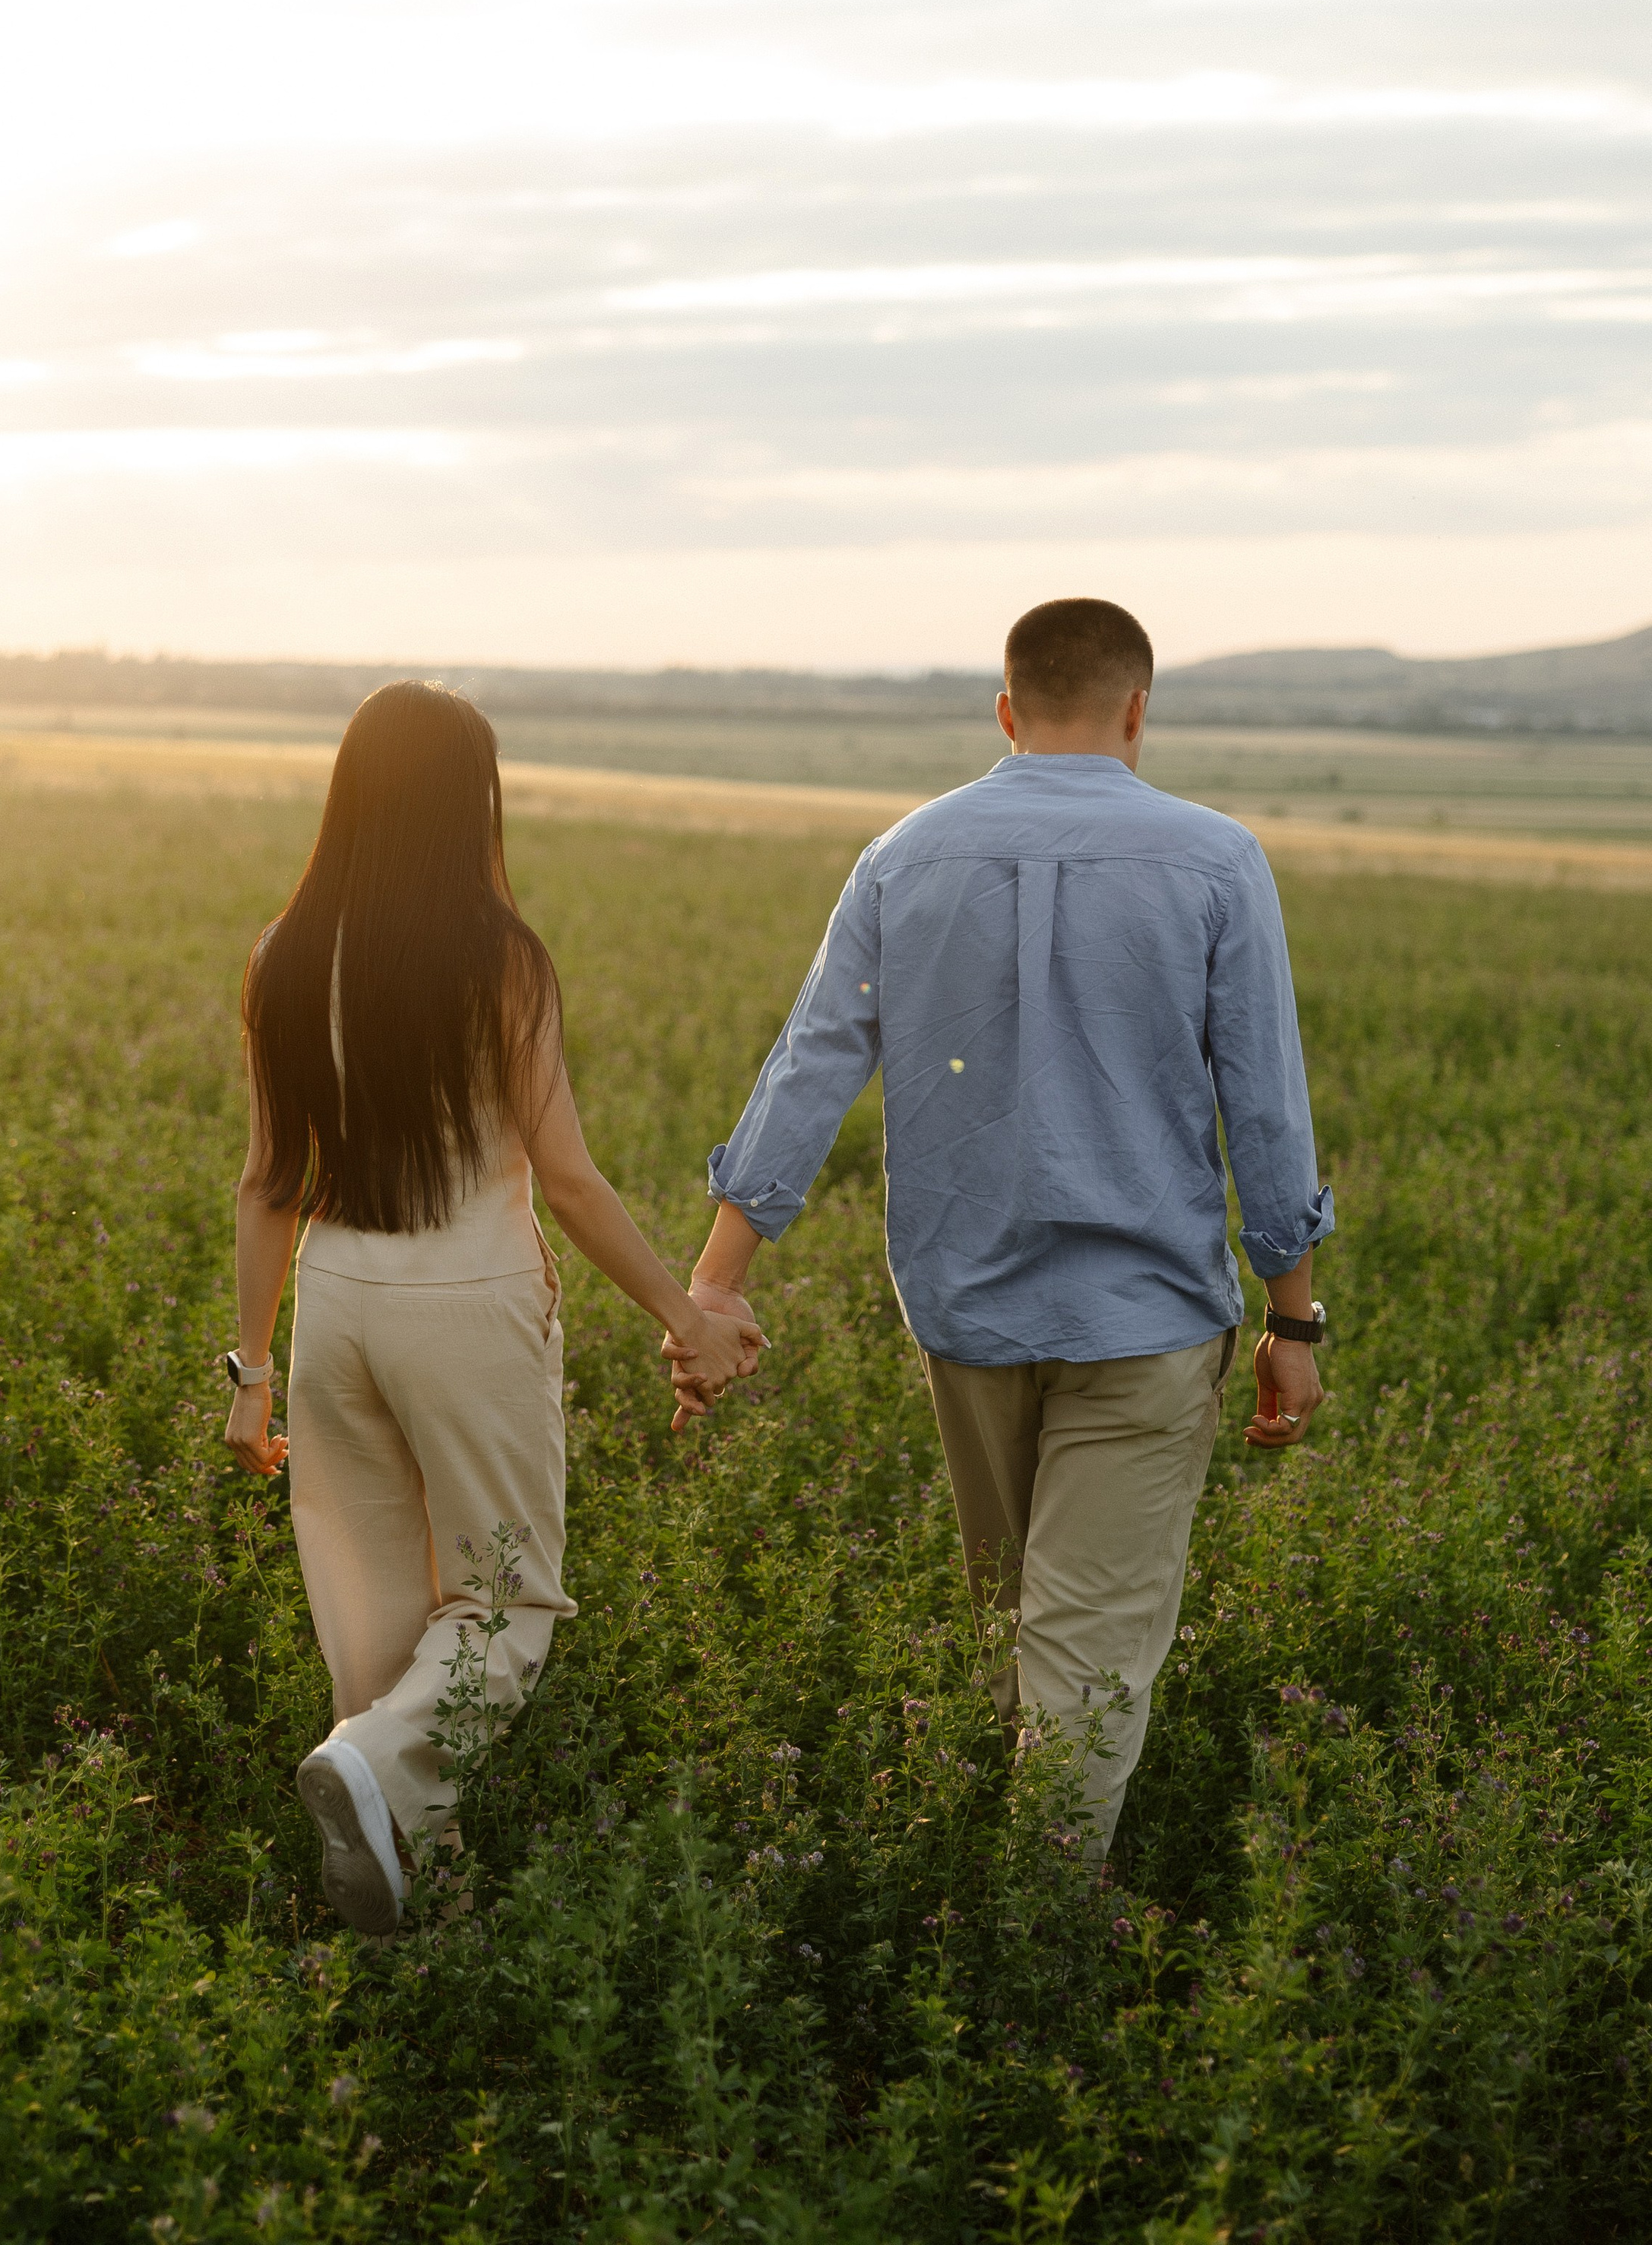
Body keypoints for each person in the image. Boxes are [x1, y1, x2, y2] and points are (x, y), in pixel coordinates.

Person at [672, 598, 1332, 1863]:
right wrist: (1293, 1320)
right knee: (1080, 1648)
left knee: (1019, 1617)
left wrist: (715, 1282)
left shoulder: (903, 856)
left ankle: (1001, 1903)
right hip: (1147, 1319)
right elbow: (1267, 1108)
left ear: (1006, 711)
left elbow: (812, 1063)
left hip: (966, 1311)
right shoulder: (1216, 861)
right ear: (1138, 710)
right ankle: (1036, 1941)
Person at [223, 680, 763, 1935]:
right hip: (465, 1304)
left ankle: (412, 1896)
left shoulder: (282, 956)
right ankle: (376, 1771)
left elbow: (267, 1182)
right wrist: (682, 1315)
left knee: (375, 1618)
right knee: (506, 1603)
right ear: (471, 802)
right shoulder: (502, 958)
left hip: (335, 1308)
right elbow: (565, 1177)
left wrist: (250, 1374)